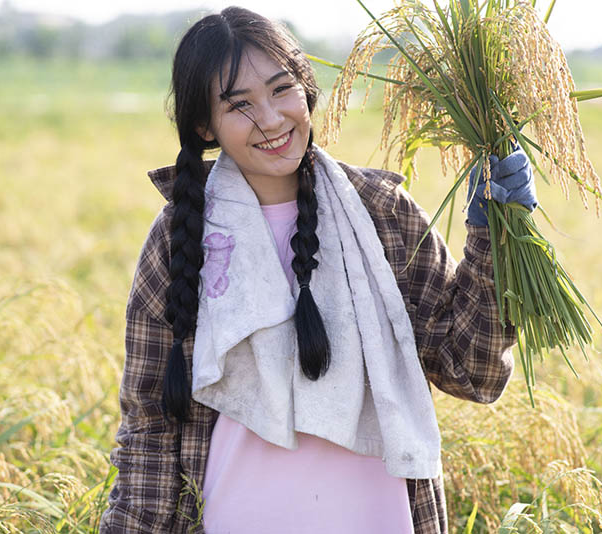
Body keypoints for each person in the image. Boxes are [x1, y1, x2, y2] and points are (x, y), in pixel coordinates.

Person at [100, 6, 537, 534]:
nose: (272, 118)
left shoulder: (381, 214)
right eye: (240, 105)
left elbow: (474, 371)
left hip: (379, 518)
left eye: (282, 89)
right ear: (204, 124)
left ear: (306, 89)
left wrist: (494, 239)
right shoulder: (181, 238)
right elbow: (150, 423)